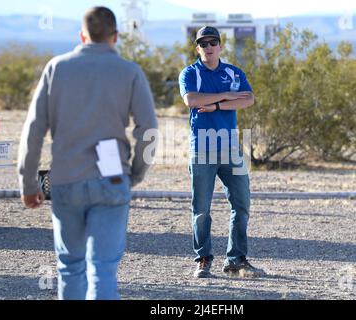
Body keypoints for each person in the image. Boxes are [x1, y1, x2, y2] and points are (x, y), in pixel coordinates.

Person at [17, 7, 158, 299]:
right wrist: (135, 173)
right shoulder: (129, 71)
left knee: (70, 266)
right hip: (111, 179)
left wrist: (29, 183)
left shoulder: (56, 68)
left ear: (82, 35)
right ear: (115, 36)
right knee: (103, 268)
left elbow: (33, 130)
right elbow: (149, 129)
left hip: (66, 179)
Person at [178, 26, 264, 278]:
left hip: (230, 148)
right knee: (201, 209)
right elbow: (191, 100)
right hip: (201, 147)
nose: (208, 47)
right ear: (197, 48)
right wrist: (227, 95)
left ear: (220, 46)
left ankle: (236, 260)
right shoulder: (190, 72)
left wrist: (215, 104)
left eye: (212, 42)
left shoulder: (234, 72)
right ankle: (203, 260)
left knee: (241, 204)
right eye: (203, 43)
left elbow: (248, 99)